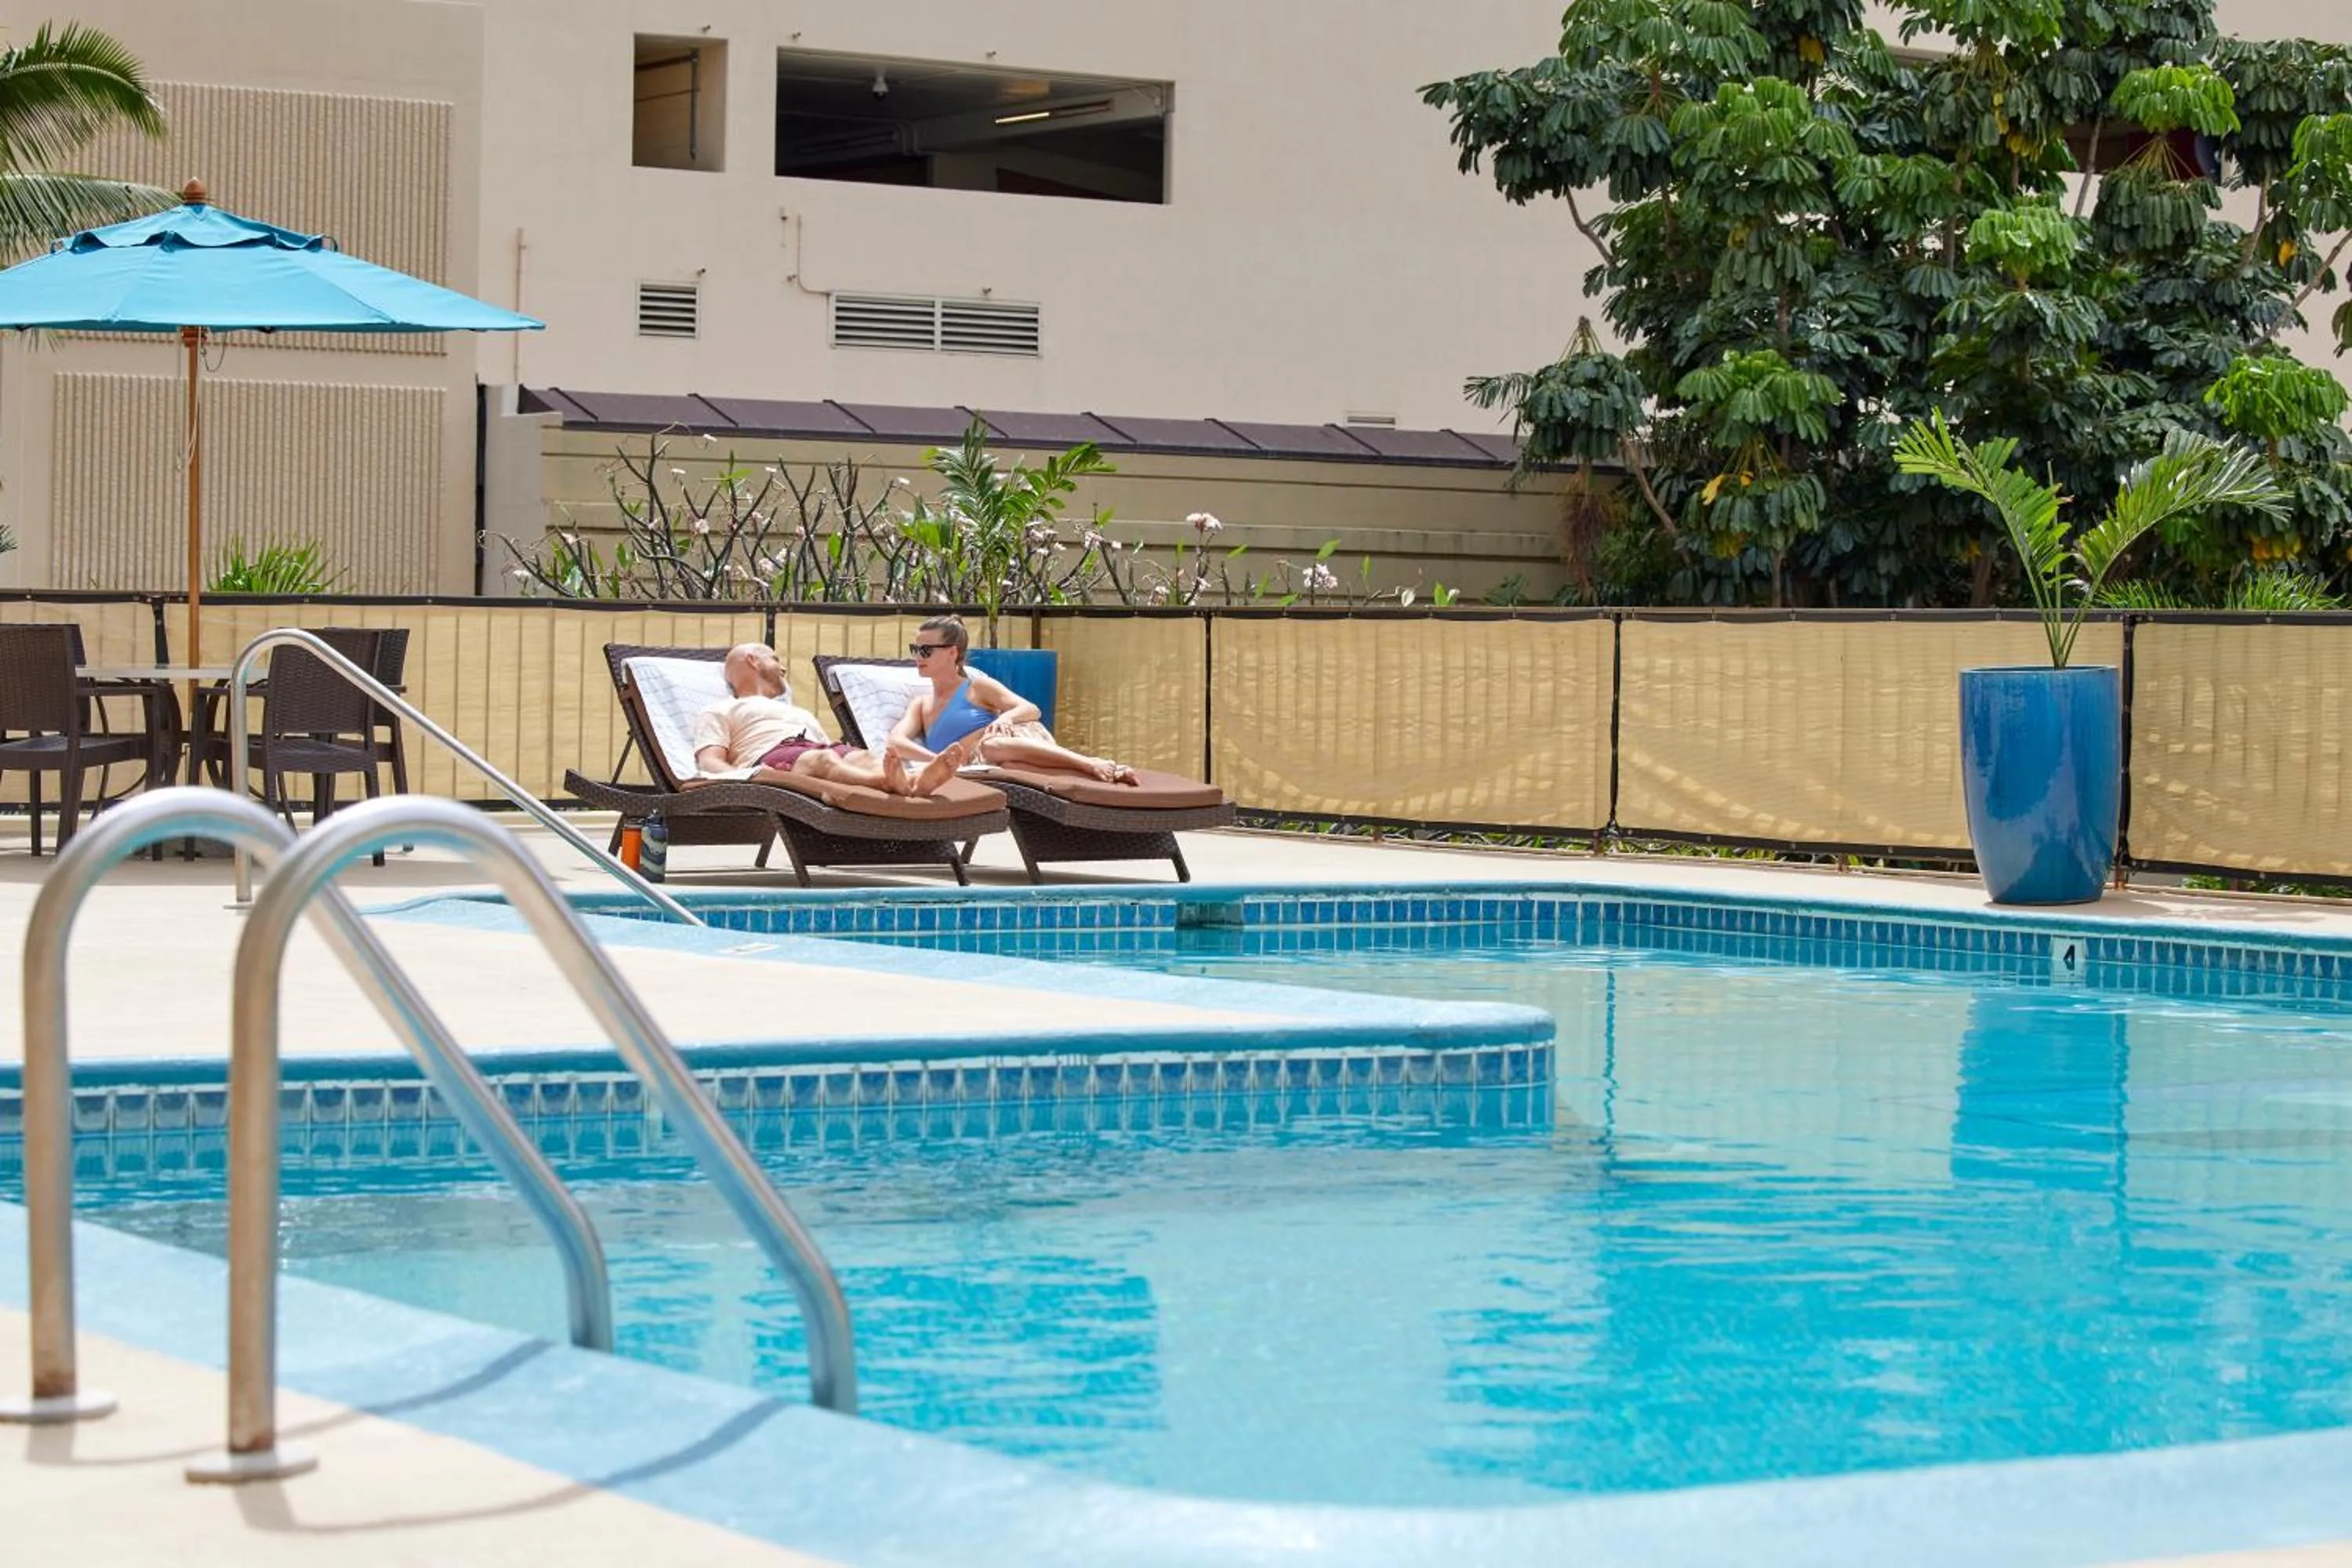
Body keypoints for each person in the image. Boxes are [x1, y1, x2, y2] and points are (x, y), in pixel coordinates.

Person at [886, 615, 1138, 784]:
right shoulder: (921, 705)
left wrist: (1005, 718)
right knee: (1009, 767)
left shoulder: (977, 687)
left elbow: (1031, 709)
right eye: (915, 649)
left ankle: (1089, 763)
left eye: (926, 650)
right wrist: (937, 761)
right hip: (986, 767)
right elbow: (896, 742)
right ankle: (1106, 773)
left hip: (1008, 744)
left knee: (992, 747)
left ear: (953, 652)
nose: (918, 657)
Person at [689, 643, 957, 795]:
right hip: (769, 756)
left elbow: (833, 757)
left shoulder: (798, 713)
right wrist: (748, 778)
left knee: (862, 757)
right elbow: (710, 760)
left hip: (811, 749)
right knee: (823, 760)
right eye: (775, 659)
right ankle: (886, 782)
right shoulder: (721, 709)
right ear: (753, 660)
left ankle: (913, 781)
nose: (783, 667)